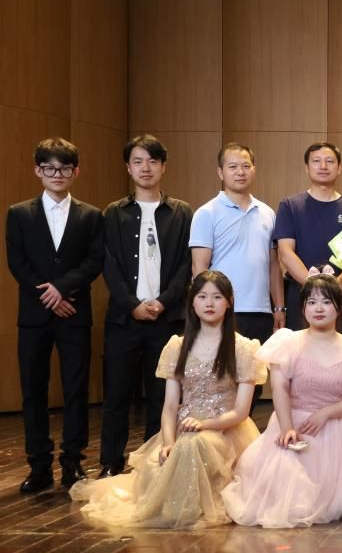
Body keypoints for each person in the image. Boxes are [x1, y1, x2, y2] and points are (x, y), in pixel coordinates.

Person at [70, 271, 266, 528]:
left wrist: (204, 425)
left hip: (225, 430)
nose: (209, 303)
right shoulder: (177, 346)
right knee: (158, 464)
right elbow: (170, 406)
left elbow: (241, 412)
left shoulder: (244, 348)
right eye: (202, 297)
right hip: (184, 429)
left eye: (217, 297)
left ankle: (187, 509)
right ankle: (176, 506)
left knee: (195, 446)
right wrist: (168, 442)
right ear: (192, 302)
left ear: (229, 302)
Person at [222, 275, 342, 527]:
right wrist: (287, 428)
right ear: (303, 308)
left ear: (339, 308)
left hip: (340, 429)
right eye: (311, 302)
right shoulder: (288, 343)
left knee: (332, 491)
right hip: (294, 422)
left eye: (326, 302)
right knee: (284, 480)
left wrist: (327, 413)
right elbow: (280, 388)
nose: (318, 308)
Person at [6, 137, 104, 493]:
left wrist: (62, 289)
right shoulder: (19, 213)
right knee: (33, 390)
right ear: (38, 170)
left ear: (75, 172)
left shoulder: (91, 215)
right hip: (34, 316)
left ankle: (73, 462)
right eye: (49, 167)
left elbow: (94, 261)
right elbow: (17, 263)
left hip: (74, 312)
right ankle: (39, 465)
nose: (57, 174)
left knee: (76, 389)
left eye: (65, 168)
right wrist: (49, 296)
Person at [98, 134, 193, 479]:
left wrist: (163, 301)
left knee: (162, 394)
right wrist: (132, 305)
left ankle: (155, 464)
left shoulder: (181, 212)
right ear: (128, 167)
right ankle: (110, 462)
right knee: (117, 394)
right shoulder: (113, 213)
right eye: (138, 161)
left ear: (163, 166)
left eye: (153, 161)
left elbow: (186, 264)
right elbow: (107, 263)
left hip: (167, 319)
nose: (146, 168)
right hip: (124, 319)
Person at [190, 143, 283, 351]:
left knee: (256, 370)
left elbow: (274, 265)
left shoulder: (267, 213)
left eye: (246, 166)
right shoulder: (207, 213)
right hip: (222, 310)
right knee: (223, 370)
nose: (240, 172)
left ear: (254, 170)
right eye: (232, 167)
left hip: (261, 311)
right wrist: (206, 307)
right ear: (220, 172)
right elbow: (199, 267)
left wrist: (279, 307)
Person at [273, 142, 342, 333]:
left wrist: (336, 286)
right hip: (300, 293)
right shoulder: (290, 206)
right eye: (316, 161)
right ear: (307, 167)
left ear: (339, 168)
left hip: (341, 295)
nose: (323, 166)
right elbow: (285, 252)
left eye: (329, 161)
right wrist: (314, 288)